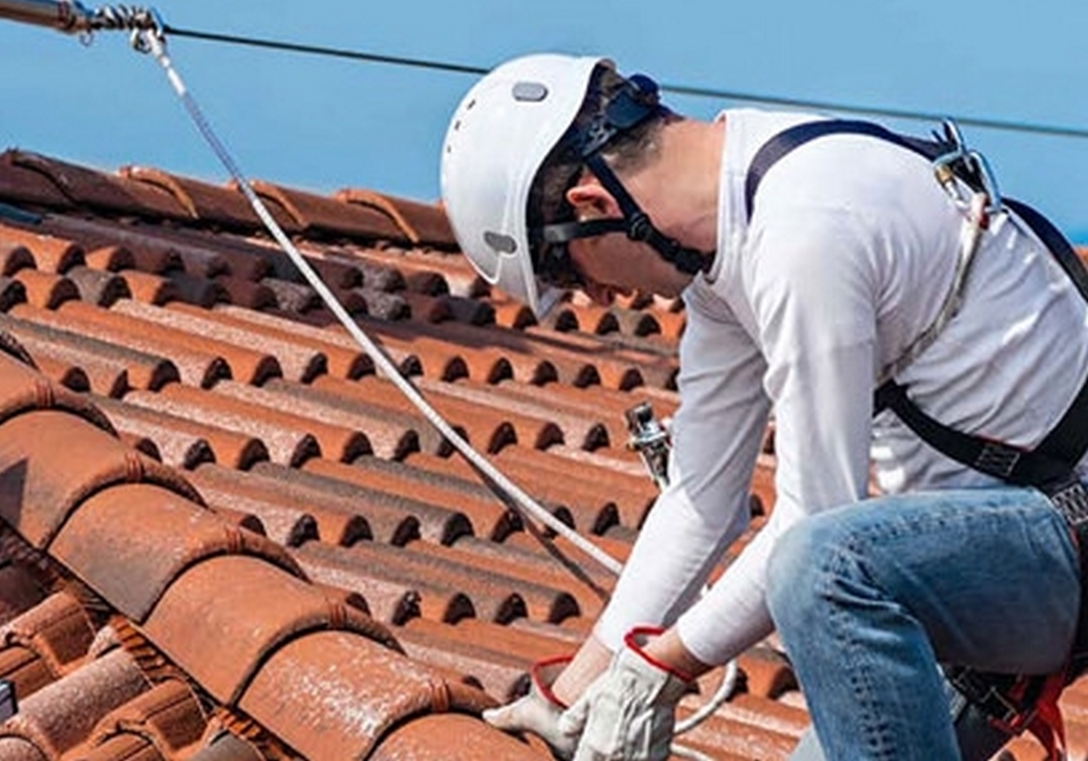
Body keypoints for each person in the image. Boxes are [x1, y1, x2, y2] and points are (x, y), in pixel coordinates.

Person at [438, 53, 1088, 761]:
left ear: (592, 204)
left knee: (827, 565)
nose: (596, 300)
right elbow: (700, 501)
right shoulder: (724, 255)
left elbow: (818, 515)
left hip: (1062, 534)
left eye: (566, 269)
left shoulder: (805, 225)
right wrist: (579, 690)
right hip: (994, 573)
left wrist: (664, 665)